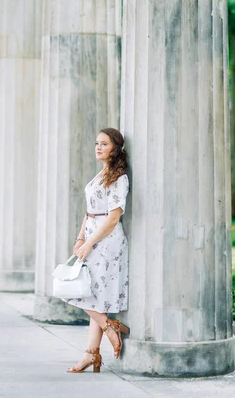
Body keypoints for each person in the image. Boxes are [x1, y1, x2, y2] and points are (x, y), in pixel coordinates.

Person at [66, 127, 130, 373]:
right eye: (97, 143)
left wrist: (90, 242)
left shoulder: (119, 178)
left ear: (115, 148)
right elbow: (89, 211)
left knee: (80, 291)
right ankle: (91, 353)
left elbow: (112, 218)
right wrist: (80, 237)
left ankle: (107, 327)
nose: (98, 147)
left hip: (107, 241)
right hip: (92, 236)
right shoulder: (101, 174)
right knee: (94, 297)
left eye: (104, 144)